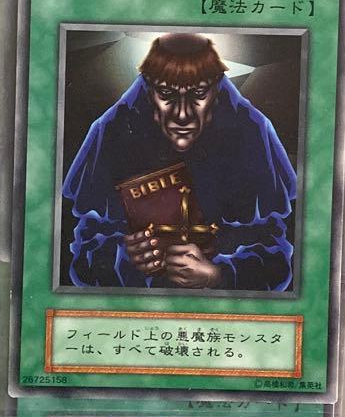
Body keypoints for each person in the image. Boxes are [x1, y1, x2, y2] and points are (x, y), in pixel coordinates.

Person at [62, 33, 297, 291]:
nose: (182, 114)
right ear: (149, 91)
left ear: (216, 90)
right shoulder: (111, 130)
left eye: (198, 93)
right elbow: (84, 256)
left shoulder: (252, 130)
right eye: (166, 93)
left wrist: (218, 275)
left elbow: (277, 260)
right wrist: (125, 256)